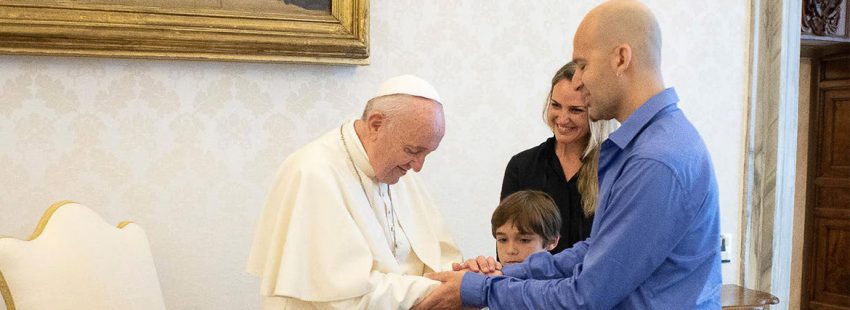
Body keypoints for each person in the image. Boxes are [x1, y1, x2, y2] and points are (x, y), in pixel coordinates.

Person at [414, 1, 723, 309]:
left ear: (621, 58)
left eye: (583, 65)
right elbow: (596, 250)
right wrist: (506, 272)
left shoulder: (654, 160)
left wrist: (481, 290)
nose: (577, 81)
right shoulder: (653, 143)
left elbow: (585, 297)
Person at [247, 75, 463, 309]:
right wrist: (449, 289)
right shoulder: (313, 173)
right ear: (376, 125)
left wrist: (469, 276)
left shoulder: (399, 171)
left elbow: (438, 257)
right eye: (412, 150)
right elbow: (345, 297)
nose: (418, 166)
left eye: (426, 154)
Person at [501, 61, 614, 254]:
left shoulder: (613, 168)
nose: (562, 118)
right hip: (530, 284)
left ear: (594, 111)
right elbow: (507, 245)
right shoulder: (522, 166)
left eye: (575, 110)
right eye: (556, 105)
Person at [491, 190, 561, 266]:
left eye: (524, 240)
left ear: (551, 242)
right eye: (503, 240)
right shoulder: (490, 275)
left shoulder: (570, 277)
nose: (510, 250)